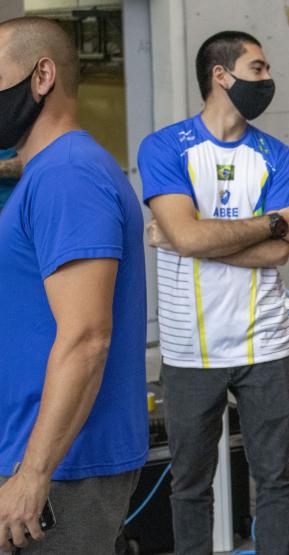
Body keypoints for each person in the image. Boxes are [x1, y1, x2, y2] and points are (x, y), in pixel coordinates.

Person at [138, 31, 289, 554]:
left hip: (265, 345)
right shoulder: (165, 147)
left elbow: (281, 251)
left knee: (276, 480)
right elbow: (199, 235)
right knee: (190, 484)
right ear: (221, 75)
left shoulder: (276, 155)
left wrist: (187, 238)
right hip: (191, 349)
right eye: (258, 68)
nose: (268, 78)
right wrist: (268, 224)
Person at [0, 17, 147, 553]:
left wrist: (32, 473)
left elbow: (87, 337)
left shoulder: (68, 176)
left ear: (42, 76)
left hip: (60, 470)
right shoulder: (50, 172)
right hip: (38, 455)